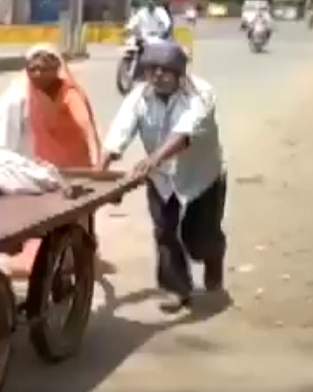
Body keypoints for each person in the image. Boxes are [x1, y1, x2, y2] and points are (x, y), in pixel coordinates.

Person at [97, 41, 227, 314]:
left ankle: (213, 258)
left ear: (180, 72)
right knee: (165, 232)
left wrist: (152, 159)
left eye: (165, 70)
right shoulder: (139, 96)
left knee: (200, 238)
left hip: (201, 175)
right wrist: (102, 170)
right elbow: (119, 132)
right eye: (151, 69)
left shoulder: (201, 94)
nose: (157, 75)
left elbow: (184, 134)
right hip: (161, 179)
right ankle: (177, 289)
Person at [0, 43, 101, 275]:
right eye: (32, 69)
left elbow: (87, 130)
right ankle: (62, 253)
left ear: (56, 69)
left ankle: (79, 253)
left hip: (75, 162)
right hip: (47, 162)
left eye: (44, 69)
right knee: (51, 209)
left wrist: (96, 163)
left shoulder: (69, 93)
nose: (37, 75)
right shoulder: (25, 90)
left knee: (77, 211)